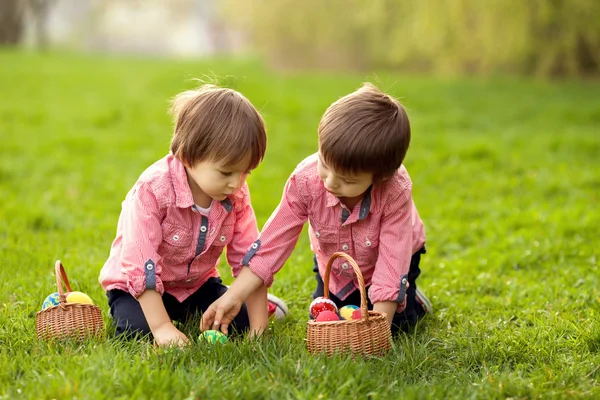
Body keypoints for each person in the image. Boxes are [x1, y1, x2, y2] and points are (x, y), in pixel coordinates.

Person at [201, 83, 431, 336]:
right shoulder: (306, 180)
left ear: (380, 177)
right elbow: (272, 244)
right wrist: (234, 295)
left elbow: (391, 260)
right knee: (328, 317)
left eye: (348, 180)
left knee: (397, 327)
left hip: (391, 259)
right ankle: (356, 295)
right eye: (324, 163)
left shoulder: (394, 189)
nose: (330, 181)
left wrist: (376, 329)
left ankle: (412, 297)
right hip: (333, 261)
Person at [99, 84, 285, 347]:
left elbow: (250, 258)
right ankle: (159, 318)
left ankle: (265, 304)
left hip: (196, 285)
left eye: (246, 172)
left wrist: (258, 328)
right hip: (137, 289)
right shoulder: (151, 191)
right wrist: (162, 328)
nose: (237, 183)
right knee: (137, 332)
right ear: (187, 156)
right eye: (226, 173)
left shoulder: (236, 196)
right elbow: (141, 265)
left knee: (238, 323)